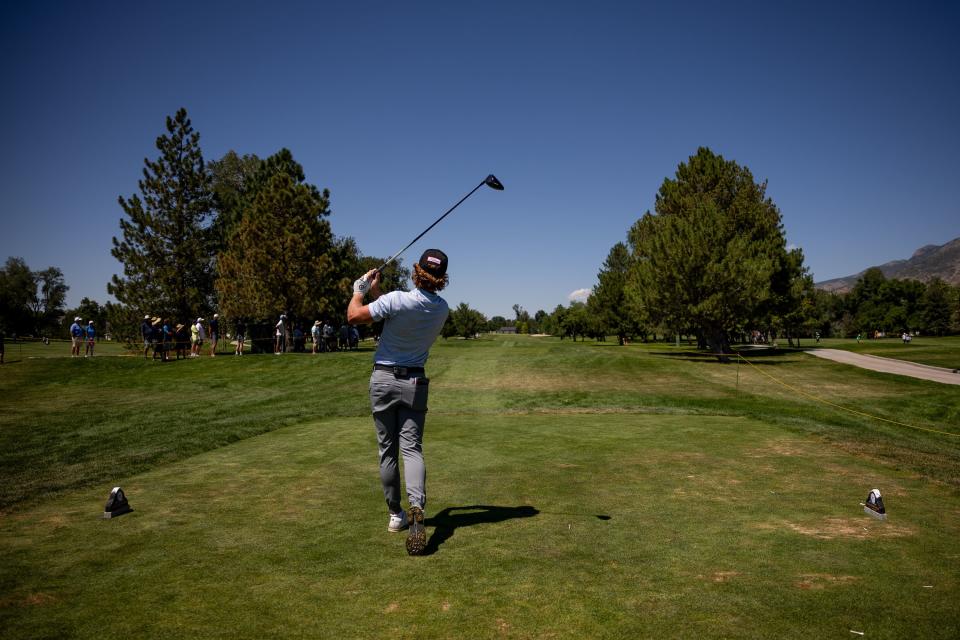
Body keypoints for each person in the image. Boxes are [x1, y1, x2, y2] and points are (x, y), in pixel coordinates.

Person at [347, 249, 450, 556]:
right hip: (415, 383)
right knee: (412, 448)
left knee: (387, 449)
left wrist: (359, 291)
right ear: (442, 279)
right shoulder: (441, 309)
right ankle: (417, 508)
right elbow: (395, 310)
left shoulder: (396, 300)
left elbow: (355, 316)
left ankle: (396, 515)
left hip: (383, 380)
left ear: (416, 272)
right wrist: (376, 291)